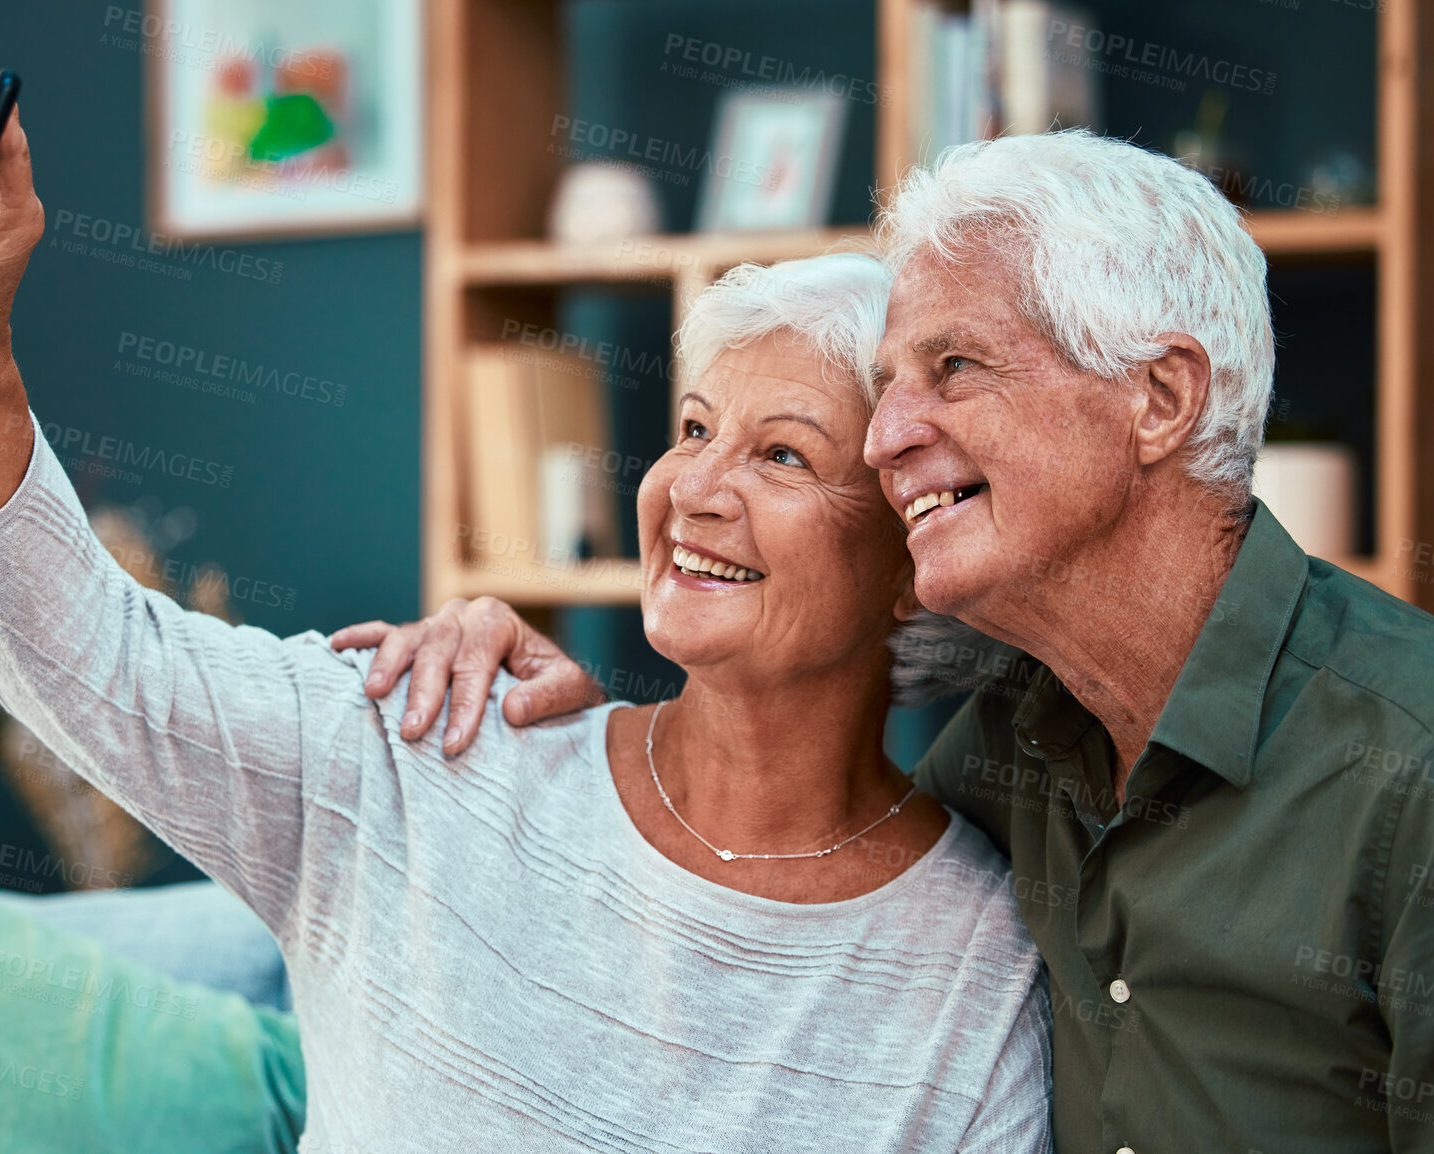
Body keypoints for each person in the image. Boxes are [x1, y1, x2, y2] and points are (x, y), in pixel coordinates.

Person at [0, 71, 1053, 1151]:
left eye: (783, 456)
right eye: (692, 429)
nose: (693, 489)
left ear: (912, 547)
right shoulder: (437, 738)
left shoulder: (976, 960)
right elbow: (80, 650)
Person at [347, 131, 1434, 1153]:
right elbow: (774, 860)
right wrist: (566, 738)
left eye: (953, 365)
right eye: (889, 382)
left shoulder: (1406, 767)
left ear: (1158, 398)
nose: (883, 437)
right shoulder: (1011, 744)